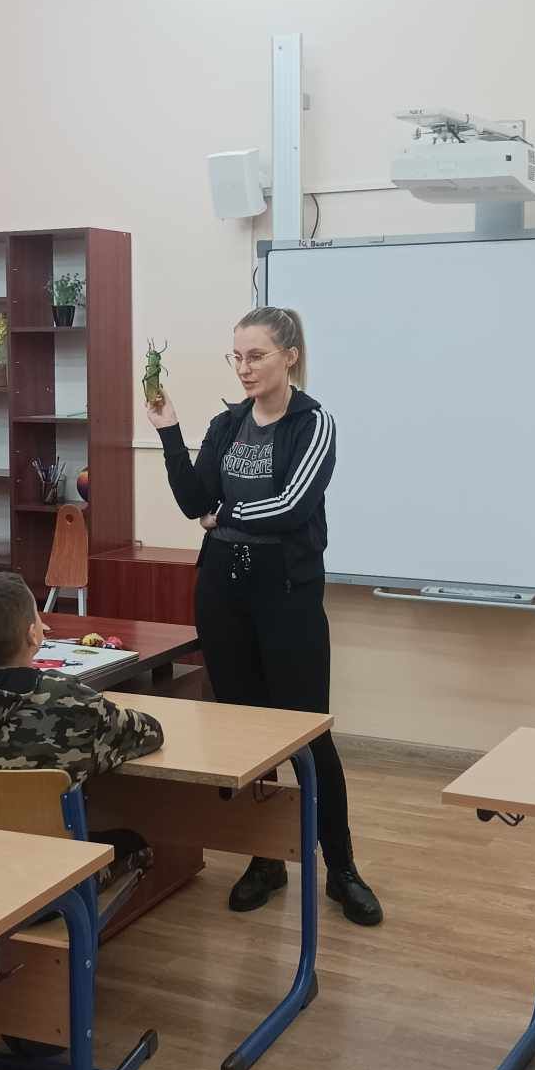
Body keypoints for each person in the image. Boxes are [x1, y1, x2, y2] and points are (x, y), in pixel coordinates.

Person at [144, 305, 382, 926]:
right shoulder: (227, 424)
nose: (245, 369)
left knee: (308, 731)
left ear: (289, 357)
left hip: (286, 594)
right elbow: (194, 500)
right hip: (222, 591)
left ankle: (342, 869)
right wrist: (169, 432)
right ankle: (265, 860)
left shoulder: (313, 423)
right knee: (245, 732)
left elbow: (290, 506)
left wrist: (225, 518)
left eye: (257, 356)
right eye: (238, 357)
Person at [0, 572, 162, 878]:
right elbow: (150, 733)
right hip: (51, 877)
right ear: (33, 635)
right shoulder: (69, 700)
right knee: (133, 842)